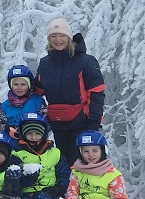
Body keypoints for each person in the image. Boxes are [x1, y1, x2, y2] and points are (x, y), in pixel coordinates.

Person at [36, 17, 105, 166]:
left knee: (79, 163)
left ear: (69, 37)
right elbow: (37, 90)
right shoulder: (45, 64)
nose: (58, 40)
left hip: (81, 121)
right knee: (62, 164)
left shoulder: (85, 61)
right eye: (53, 36)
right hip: (57, 122)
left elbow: (97, 92)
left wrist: (94, 122)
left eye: (62, 35)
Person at [65, 131, 142, 199]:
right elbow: (72, 191)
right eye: (86, 151)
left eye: (94, 150)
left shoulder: (112, 175)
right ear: (80, 152)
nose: (90, 155)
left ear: (102, 150)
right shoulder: (77, 172)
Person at [12, 112, 69, 199]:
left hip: (48, 191)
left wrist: (59, 188)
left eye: (37, 133)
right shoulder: (17, 153)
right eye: (29, 133)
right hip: (26, 192)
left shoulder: (55, 153)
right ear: (23, 134)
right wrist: (26, 179)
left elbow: (64, 173)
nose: (34, 137)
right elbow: (14, 179)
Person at [1, 65, 47, 138]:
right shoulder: (5, 105)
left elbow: (46, 122)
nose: (19, 88)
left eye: (23, 84)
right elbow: (0, 124)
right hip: (11, 141)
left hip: (33, 140)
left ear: (29, 85)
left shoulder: (38, 102)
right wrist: (7, 129)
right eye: (16, 84)